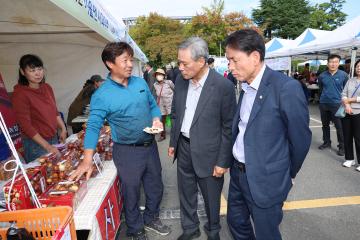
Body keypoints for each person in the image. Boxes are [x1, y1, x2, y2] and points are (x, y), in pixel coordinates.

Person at [69, 42, 170, 240]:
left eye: (130, 59)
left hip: (149, 146)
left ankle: (151, 217)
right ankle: (135, 229)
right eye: (125, 60)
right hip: (127, 151)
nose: (130, 64)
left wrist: (157, 119)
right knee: (131, 191)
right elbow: (93, 127)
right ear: (110, 64)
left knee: (155, 185)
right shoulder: (102, 95)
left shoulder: (140, 83)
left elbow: (152, 105)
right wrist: (87, 159)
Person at [225, 29, 311, 240]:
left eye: (234, 60)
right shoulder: (245, 86)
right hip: (238, 174)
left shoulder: (286, 88)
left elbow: (300, 139)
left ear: (255, 57)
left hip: (266, 180)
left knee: (266, 233)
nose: (230, 67)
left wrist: (287, 174)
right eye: (228, 61)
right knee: (236, 222)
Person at [169, 37, 236, 240]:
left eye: (184, 63)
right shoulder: (181, 81)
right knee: (186, 193)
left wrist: (223, 161)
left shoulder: (223, 86)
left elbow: (228, 127)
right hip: (184, 147)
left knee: (211, 197)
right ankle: (190, 229)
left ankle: (213, 230)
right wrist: (173, 142)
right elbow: (175, 113)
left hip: (210, 153)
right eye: (179, 62)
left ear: (201, 61)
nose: (180, 68)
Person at [12, 54, 67, 163]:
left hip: (53, 138)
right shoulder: (20, 94)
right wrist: (48, 147)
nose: (38, 73)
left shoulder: (47, 87)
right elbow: (25, 126)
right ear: (23, 72)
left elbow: (55, 111)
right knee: (45, 175)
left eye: (40, 69)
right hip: (36, 144)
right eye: (32, 70)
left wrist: (63, 128)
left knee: (59, 170)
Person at [318, 54, 349, 156]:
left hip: (337, 105)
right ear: (327, 63)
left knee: (339, 127)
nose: (333, 64)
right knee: (325, 125)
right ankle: (327, 142)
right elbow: (321, 89)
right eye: (331, 62)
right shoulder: (322, 76)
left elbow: (346, 91)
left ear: (338, 63)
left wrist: (345, 104)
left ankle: (342, 147)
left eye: (335, 62)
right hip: (324, 103)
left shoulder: (344, 75)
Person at [341, 59, 360, 171]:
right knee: (347, 136)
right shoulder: (350, 80)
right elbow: (343, 93)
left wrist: (350, 100)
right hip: (347, 111)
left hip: (358, 112)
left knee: (358, 138)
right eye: (358, 66)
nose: (359, 68)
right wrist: (347, 104)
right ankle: (349, 159)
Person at [153, 68, 174, 142]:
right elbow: (156, 94)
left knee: (173, 120)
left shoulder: (169, 82)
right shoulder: (155, 85)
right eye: (157, 75)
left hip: (170, 104)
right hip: (161, 105)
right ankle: (163, 135)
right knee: (162, 121)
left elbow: (175, 90)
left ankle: (175, 135)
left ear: (164, 76)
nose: (158, 76)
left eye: (160, 74)